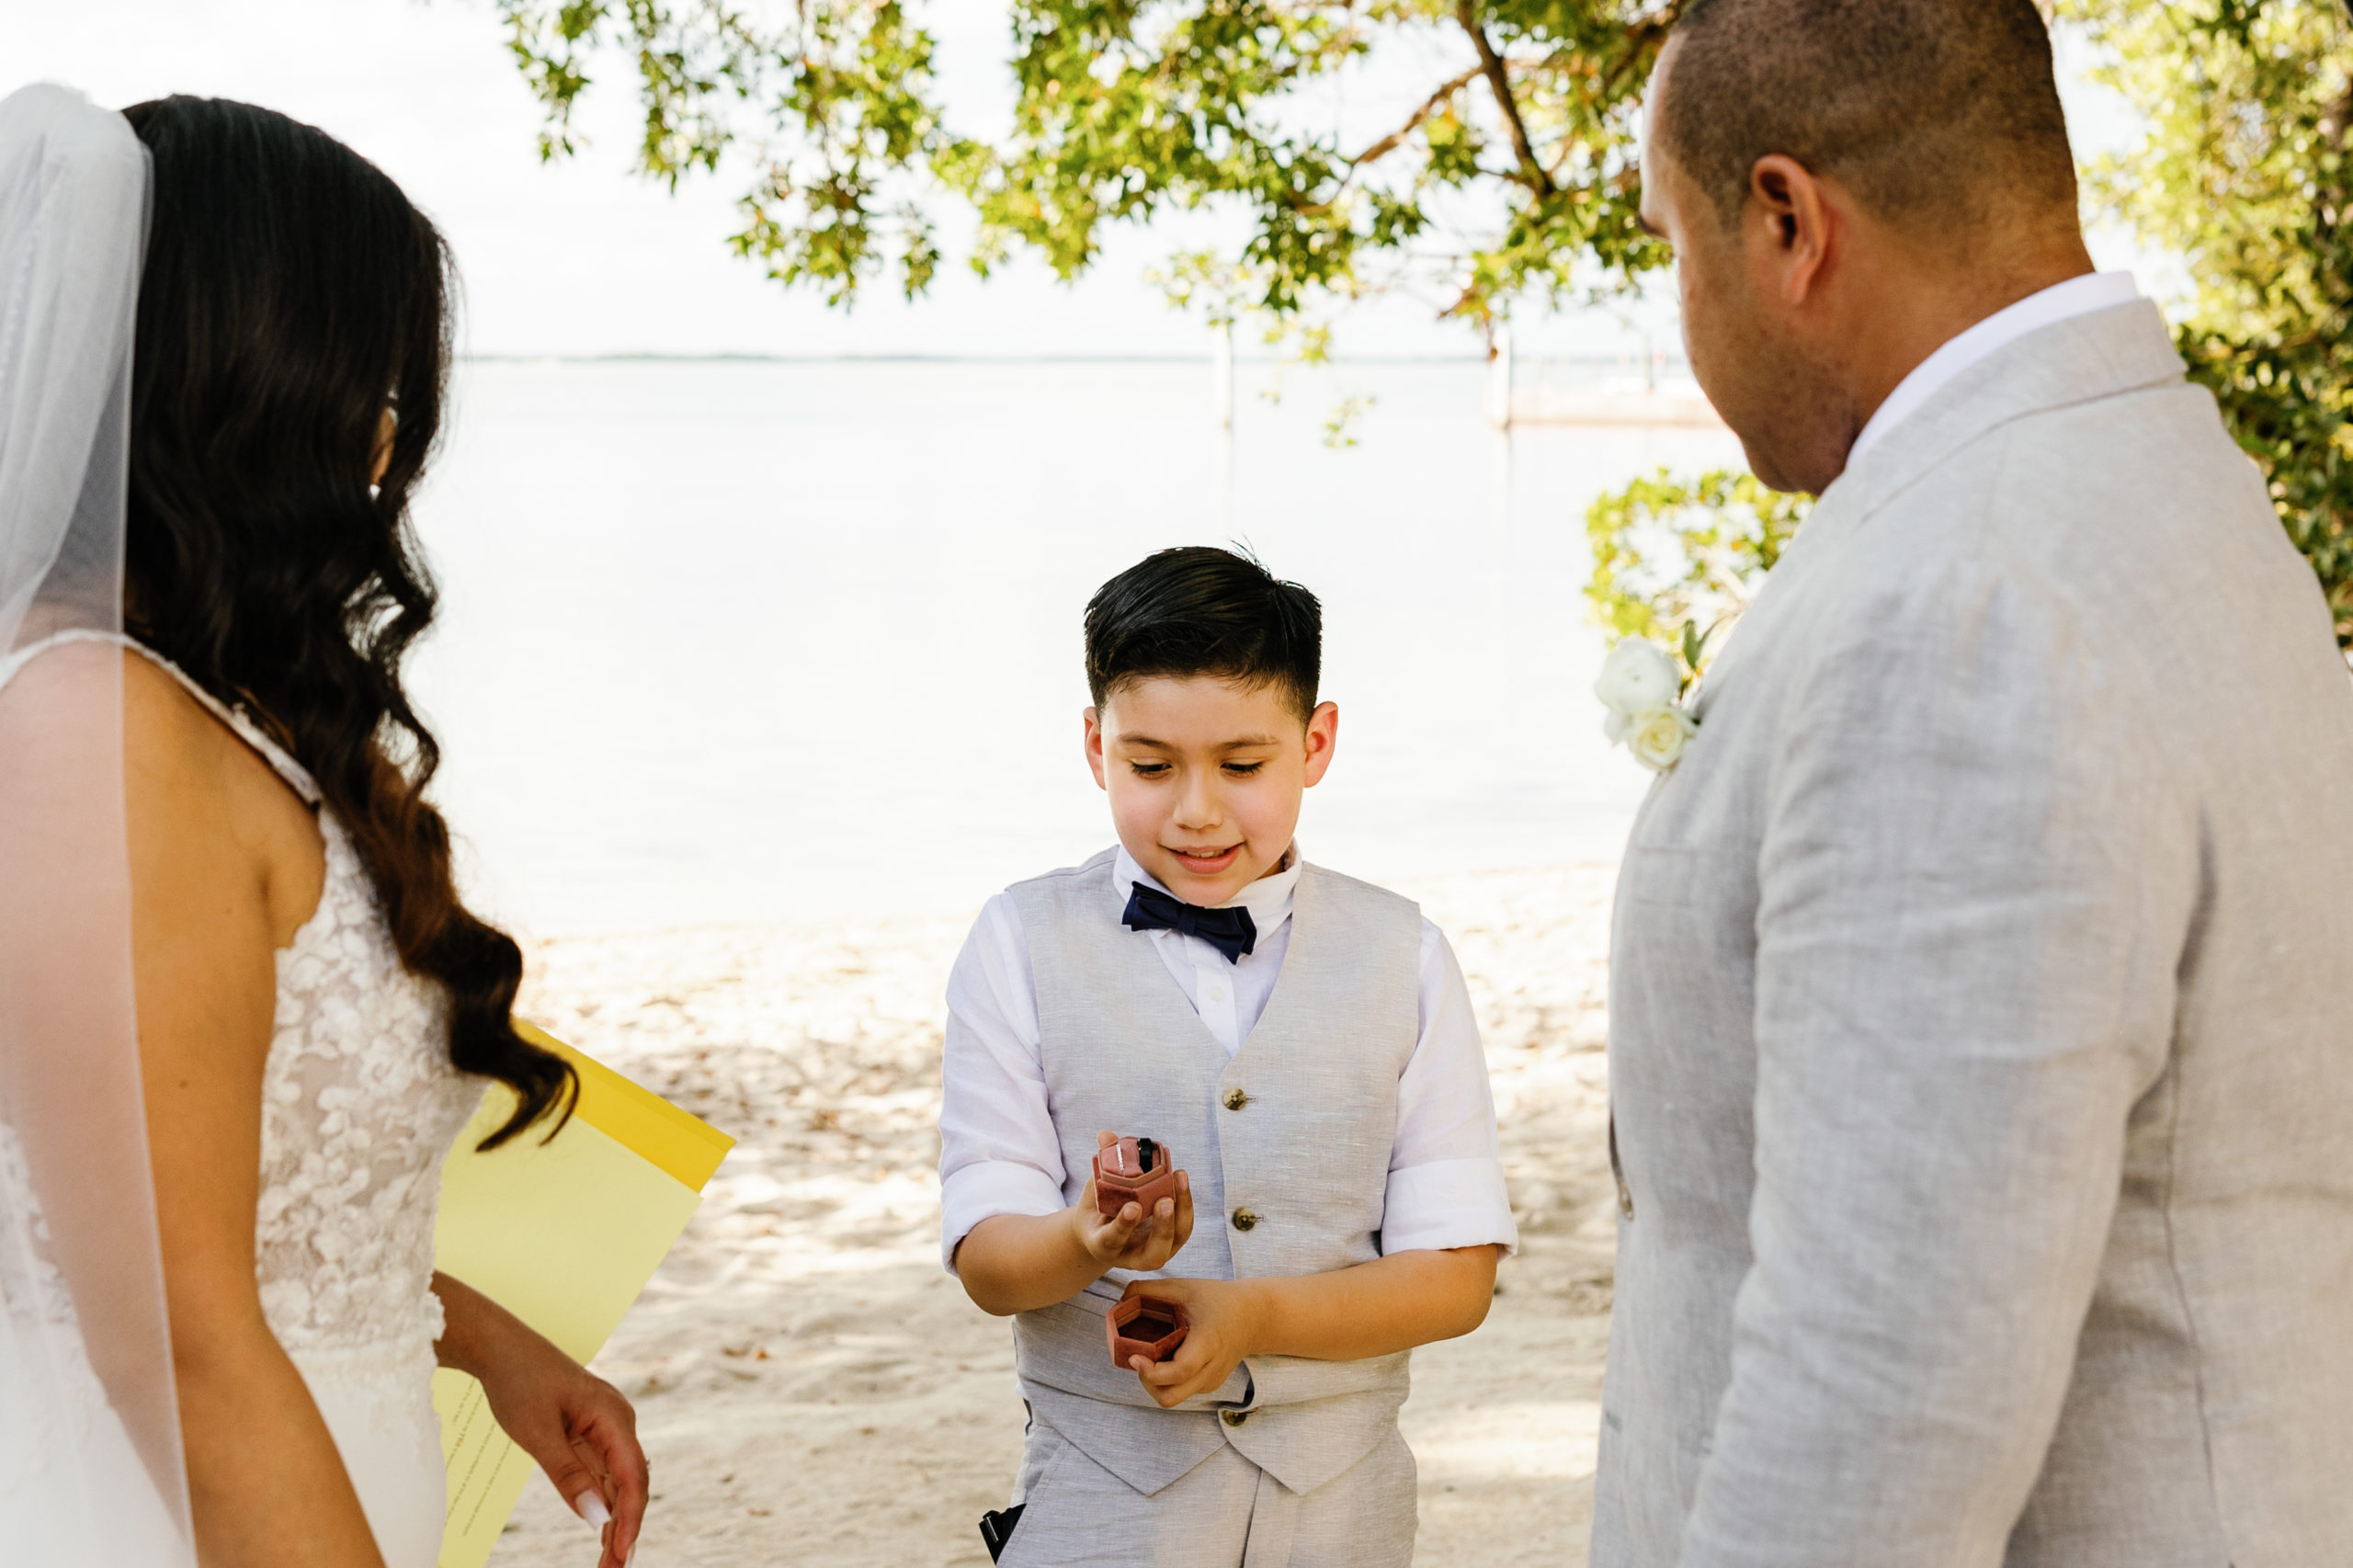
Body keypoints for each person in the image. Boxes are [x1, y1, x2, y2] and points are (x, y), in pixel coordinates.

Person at [1597, 3, 2353, 1565]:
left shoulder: (1965, 607)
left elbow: (1878, 1415)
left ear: (1789, 223)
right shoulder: (2156, 483)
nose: (1680, 311)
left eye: (1675, 246)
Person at [0, 86, 649, 1567]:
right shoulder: (91, 730)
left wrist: (481, 1338)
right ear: (263, 381)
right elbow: (176, 1332)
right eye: (381, 386)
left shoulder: (192, 706)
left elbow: (194, 1201)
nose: (387, 441)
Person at [937, 546, 1518, 1566]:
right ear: (1094, 744)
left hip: (1346, 1508)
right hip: (1103, 1505)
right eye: (1149, 765)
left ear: (1317, 739)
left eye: (1241, 766)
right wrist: (1085, 1236)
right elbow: (987, 1259)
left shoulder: (1407, 953)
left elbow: (1456, 1275)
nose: (1196, 808)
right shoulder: (1018, 939)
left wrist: (1251, 1313)